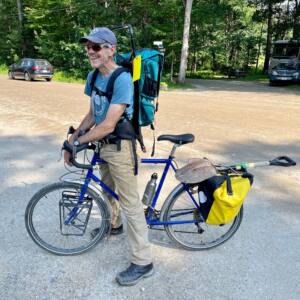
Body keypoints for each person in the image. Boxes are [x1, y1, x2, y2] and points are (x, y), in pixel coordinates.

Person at [63, 27, 153, 286]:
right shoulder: (93, 76)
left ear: (111, 49)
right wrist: (71, 140)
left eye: (97, 46)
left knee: (130, 203)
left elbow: (108, 124)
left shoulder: (122, 79)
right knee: (107, 190)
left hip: (120, 147)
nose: (91, 51)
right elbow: (92, 115)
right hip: (102, 145)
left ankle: (143, 261)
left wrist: (77, 143)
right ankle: (113, 226)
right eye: (88, 47)